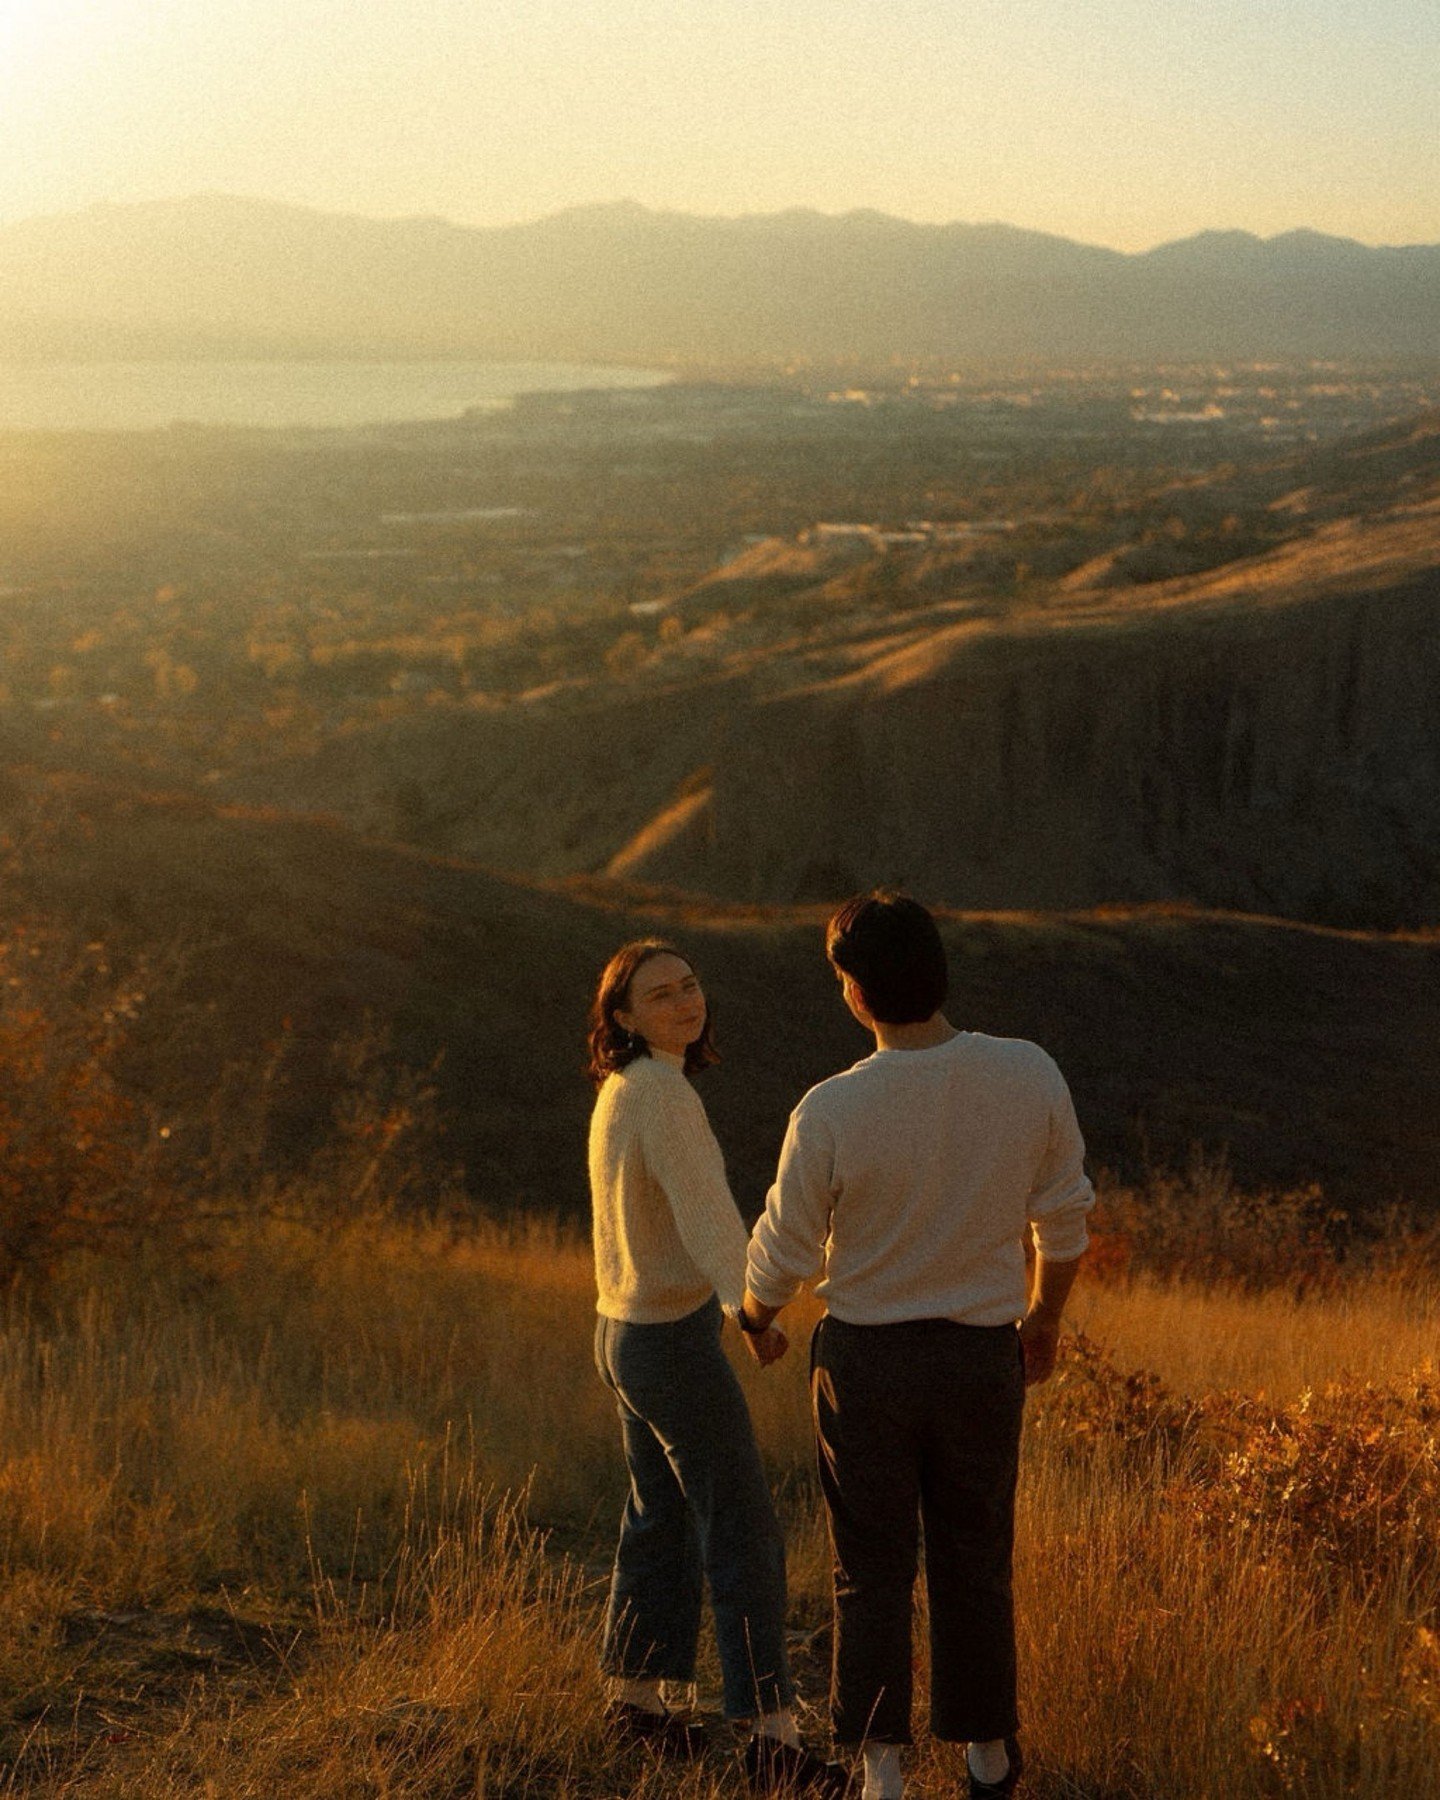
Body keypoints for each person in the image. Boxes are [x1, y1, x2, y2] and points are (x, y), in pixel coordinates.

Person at [738, 892, 1093, 1800]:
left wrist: (755, 1314)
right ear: (940, 972)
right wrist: (1043, 1318)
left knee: (872, 1567)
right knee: (975, 1557)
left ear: (855, 996)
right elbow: (1064, 1218)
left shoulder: (830, 1108)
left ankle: (881, 1770)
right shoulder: (1027, 1072)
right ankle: (984, 1757)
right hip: (981, 1357)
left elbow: (781, 1245)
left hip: (866, 1364)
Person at [586, 938, 847, 1795]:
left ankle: (639, 1704)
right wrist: (752, 1312)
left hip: (624, 1331)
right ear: (623, 1017)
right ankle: (772, 1739)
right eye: (659, 995)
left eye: (690, 985)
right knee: (740, 1528)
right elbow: (707, 1215)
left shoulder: (628, 1089)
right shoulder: (661, 1096)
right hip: (666, 1339)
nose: (684, 1003)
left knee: (657, 1519)